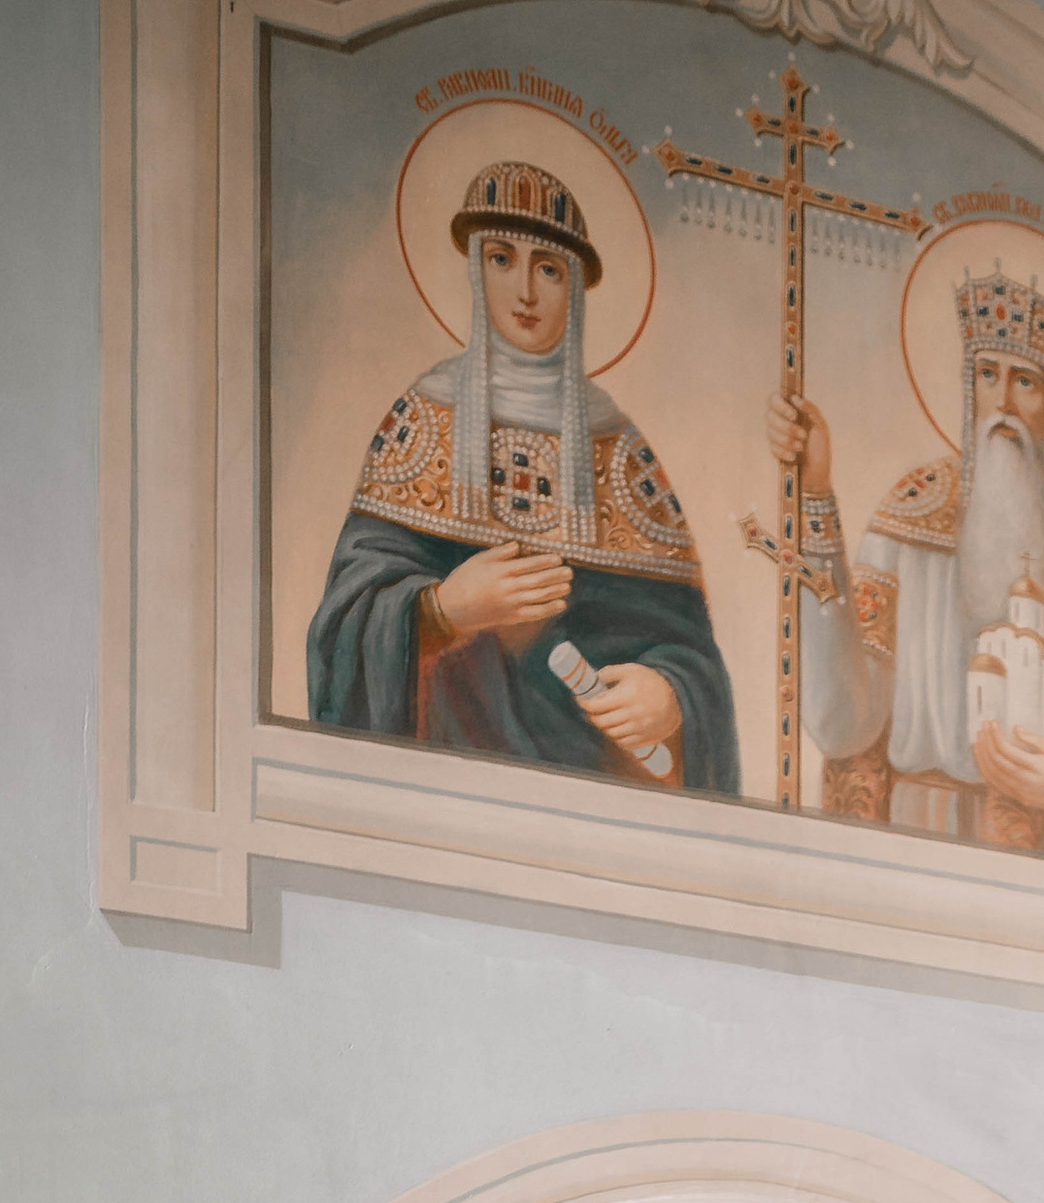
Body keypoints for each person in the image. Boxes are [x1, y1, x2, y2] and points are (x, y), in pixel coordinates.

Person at [308, 162, 739, 795]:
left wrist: (670, 694)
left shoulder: (619, 452)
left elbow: (683, 641)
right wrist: (440, 610)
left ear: (575, 289)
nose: (526, 293)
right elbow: (345, 624)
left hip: (595, 797)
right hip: (446, 787)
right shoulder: (425, 423)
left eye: (548, 268)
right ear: (477, 269)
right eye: (504, 258)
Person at [771, 265, 1044, 871]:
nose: (1001, 404)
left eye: (1024, 382)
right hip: (905, 845)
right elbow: (846, 716)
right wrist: (815, 494)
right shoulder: (906, 518)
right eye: (986, 376)